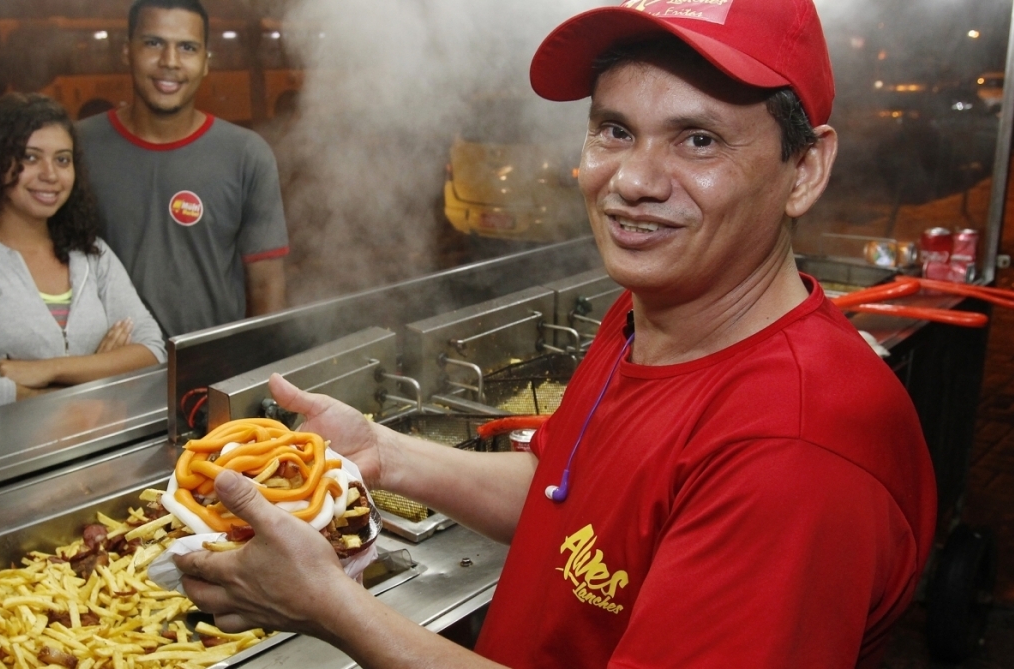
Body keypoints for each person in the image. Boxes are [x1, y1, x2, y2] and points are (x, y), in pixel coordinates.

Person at [173, 0, 938, 667]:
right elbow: (579, 499)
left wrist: (331, 607)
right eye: (614, 129)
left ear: (804, 169)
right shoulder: (646, 312)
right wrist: (385, 451)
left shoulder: (795, 452)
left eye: (698, 138)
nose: (634, 180)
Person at [0, 93, 167, 416]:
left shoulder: (90, 252)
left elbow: (153, 352)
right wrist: (100, 374)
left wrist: (49, 370)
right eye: (30, 157)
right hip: (18, 463)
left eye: (62, 159)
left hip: (106, 457)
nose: (50, 174)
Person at [76, 0, 289, 337]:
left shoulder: (246, 154)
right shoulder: (77, 148)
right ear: (126, 52)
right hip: (107, 375)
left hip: (212, 374)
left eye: (187, 47)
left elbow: (266, 287)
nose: (170, 62)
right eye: (153, 43)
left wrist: (255, 374)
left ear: (206, 62)